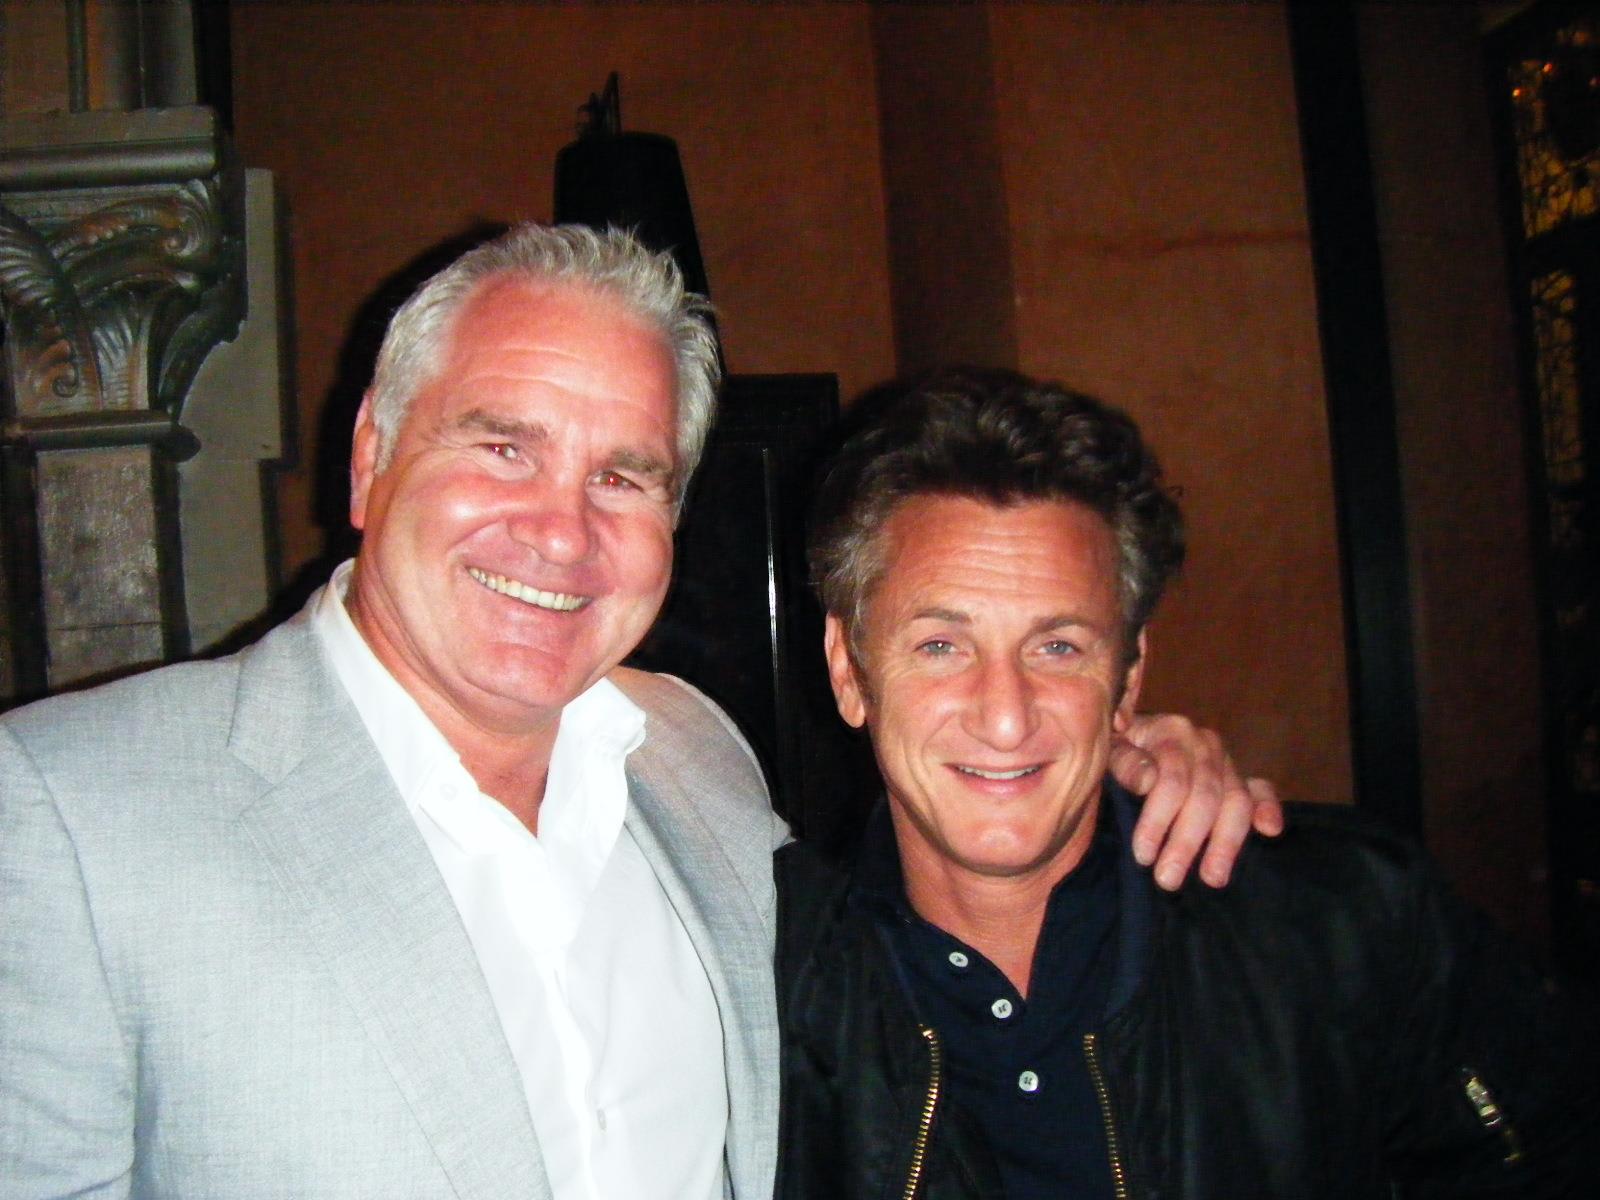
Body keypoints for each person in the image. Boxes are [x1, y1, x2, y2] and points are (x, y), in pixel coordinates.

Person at [1, 226, 1273, 1200]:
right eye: (503, 446)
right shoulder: (68, 817)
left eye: (625, 474)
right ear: (371, 455)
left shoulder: (693, 753)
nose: (561, 530)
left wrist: (1111, 763)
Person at [777, 367, 1599, 1199]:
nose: (1004, 716)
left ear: (1129, 680)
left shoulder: (1344, 927)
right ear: (850, 670)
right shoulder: (769, 996)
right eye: (942, 647)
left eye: (1058, 647)